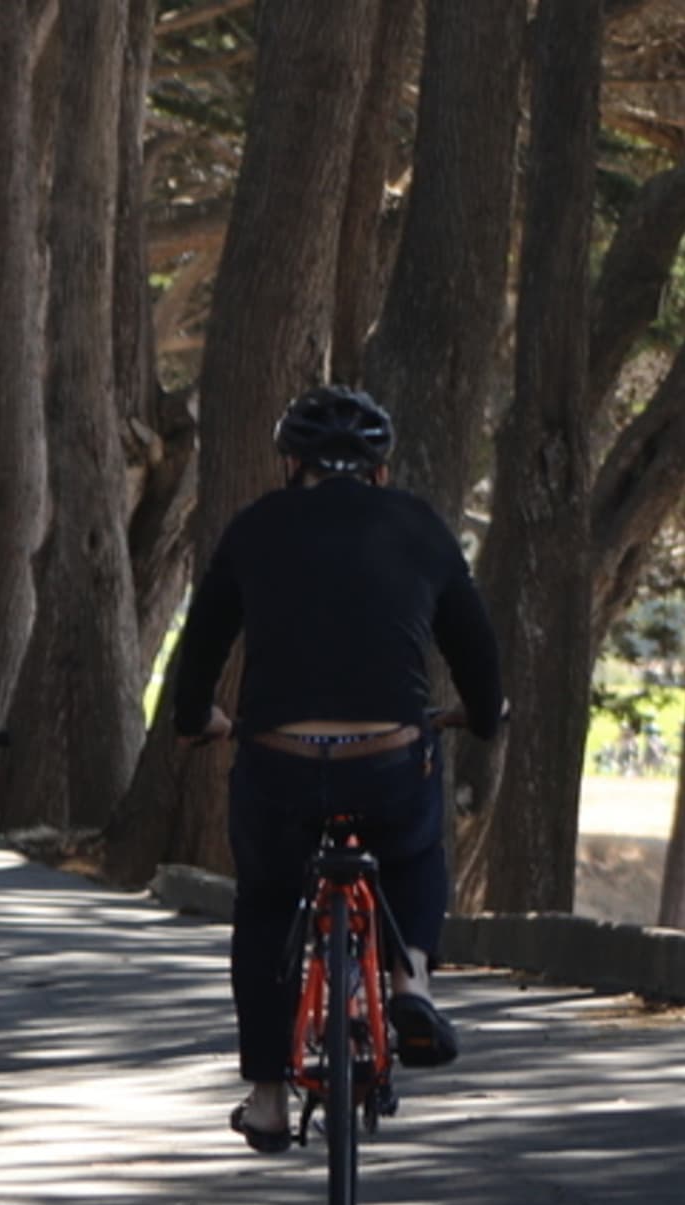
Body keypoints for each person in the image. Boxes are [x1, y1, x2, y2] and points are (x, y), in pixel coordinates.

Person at [159, 386, 505, 1156]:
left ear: (291, 464)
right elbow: (476, 649)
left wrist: (196, 724)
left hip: (277, 762)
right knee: (416, 846)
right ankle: (412, 983)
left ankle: (269, 1099)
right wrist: (481, 718)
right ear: (380, 472)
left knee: (267, 905)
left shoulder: (253, 528)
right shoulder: (420, 526)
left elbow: (202, 647)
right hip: (385, 759)